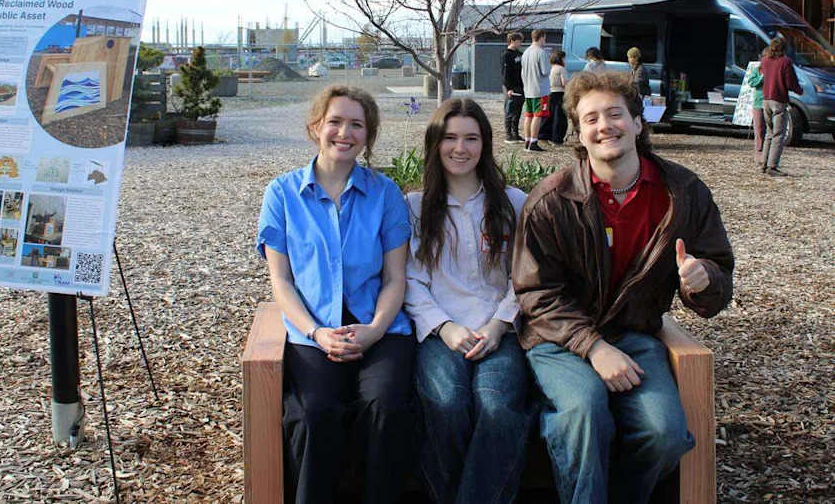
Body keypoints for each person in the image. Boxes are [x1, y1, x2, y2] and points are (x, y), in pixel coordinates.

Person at [512, 71, 735, 504]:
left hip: (634, 334)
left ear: (637, 121)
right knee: (582, 411)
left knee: (665, 433)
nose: (604, 126)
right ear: (579, 131)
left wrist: (702, 280)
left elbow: (719, 272)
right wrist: (593, 347)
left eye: (615, 114)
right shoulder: (551, 200)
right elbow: (536, 294)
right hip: (560, 339)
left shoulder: (683, 193)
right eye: (590, 118)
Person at [257, 85, 416, 503]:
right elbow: (282, 281)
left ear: (368, 136)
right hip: (313, 328)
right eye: (335, 121)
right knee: (314, 413)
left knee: (387, 405)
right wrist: (315, 332)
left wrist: (377, 329)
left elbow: (395, 278)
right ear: (316, 127)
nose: (344, 132)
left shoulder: (386, 195)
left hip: (378, 327)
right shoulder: (282, 194)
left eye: (357, 125)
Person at [404, 98, 534, 503]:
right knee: (446, 402)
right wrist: (446, 328)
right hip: (440, 331)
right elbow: (410, 280)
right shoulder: (414, 207)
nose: (460, 148)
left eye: (471, 138)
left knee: (497, 407)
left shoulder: (513, 202)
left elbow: (528, 277)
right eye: (450, 137)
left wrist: (499, 325)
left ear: (485, 144)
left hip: (502, 329)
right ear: (435, 143)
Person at [759, 36, 804, 175]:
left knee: (769, 132)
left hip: (765, 99)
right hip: (779, 100)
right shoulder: (785, 62)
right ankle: (772, 166)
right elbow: (791, 83)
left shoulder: (765, 61)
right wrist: (800, 91)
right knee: (779, 134)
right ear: (784, 48)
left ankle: (764, 163)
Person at [521, 29, 551, 152]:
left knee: (528, 115)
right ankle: (533, 142)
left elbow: (522, 72)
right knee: (537, 116)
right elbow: (545, 71)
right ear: (541, 37)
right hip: (540, 89)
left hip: (528, 89)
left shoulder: (526, 52)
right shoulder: (541, 53)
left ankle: (527, 140)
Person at [539, 49, 568, 145]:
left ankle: (543, 136)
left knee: (547, 116)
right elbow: (564, 82)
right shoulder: (561, 69)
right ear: (561, 59)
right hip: (559, 93)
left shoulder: (550, 68)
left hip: (548, 93)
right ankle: (557, 139)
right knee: (559, 118)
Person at [502, 32, 525, 143]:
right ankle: (508, 135)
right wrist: (508, 88)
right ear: (512, 41)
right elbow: (505, 73)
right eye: (518, 41)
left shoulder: (519, 54)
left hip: (520, 86)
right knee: (509, 110)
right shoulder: (507, 54)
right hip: (511, 86)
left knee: (518, 111)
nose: (520, 43)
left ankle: (515, 134)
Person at [746, 54, 766, 163]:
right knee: (758, 129)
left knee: (768, 130)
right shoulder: (756, 70)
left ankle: (766, 153)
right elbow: (751, 82)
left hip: (769, 102)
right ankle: (758, 153)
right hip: (758, 103)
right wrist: (762, 77)